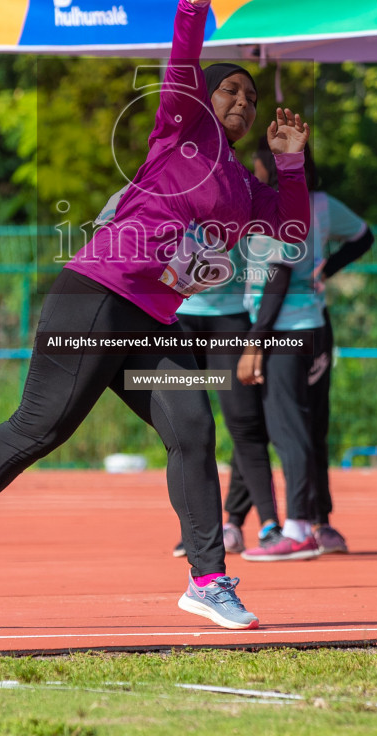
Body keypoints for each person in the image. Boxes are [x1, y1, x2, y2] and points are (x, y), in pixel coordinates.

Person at [0, 0, 312, 630]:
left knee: (193, 430)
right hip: (98, 294)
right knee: (44, 427)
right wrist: (191, 10)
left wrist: (290, 163)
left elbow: (291, 231)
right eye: (232, 89)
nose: (242, 100)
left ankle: (208, 579)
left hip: (154, 321)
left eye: (251, 97)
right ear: (209, 99)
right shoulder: (183, 129)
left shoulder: (243, 186)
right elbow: (182, 63)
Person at [94, 190, 260, 563]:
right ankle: (196, 535)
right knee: (187, 428)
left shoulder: (238, 187)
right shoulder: (152, 183)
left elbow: (272, 241)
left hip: (230, 318)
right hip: (174, 319)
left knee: (243, 423)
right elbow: (106, 228)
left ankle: (247, 523)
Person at [232, 145, 374, 560]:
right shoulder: (275, 206)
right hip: (295, 325)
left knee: (289, 426)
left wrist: (256, 339)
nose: (252, 169)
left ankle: (298, 526)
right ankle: (301, 522)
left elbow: (277, 275)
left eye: (258, 162)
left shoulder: (288, 207)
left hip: (287, 328)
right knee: (292, 424)